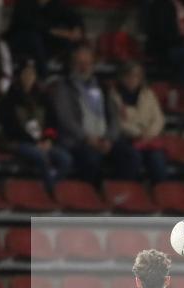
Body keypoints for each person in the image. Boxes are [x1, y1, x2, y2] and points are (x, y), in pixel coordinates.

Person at [52, 44, 140, 184]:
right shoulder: (64, 87)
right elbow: (66, 119)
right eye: (80, 63)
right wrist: (87, 139)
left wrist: (109, 139)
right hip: (78, 142)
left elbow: (114, 116)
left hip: (103, 139)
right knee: (91, 159)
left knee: (131, 156)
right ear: (73, 64)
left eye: (87, 64)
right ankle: (92, 198)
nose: (84, 67)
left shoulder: (103, 87)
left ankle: (119, 195)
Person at [0, 58, 72, 192]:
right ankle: (49, 192)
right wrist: (33, 142)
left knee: (65, 159)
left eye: (32, 74)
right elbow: (11, 128)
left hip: (42, 142)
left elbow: (52, 122)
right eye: (25, 73)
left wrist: (48, 140)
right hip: (18, 142)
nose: (28, 77)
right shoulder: (9, 99)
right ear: (19, 76)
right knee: (39, 156)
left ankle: (50, 187)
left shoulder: (43, 97)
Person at [110, 62, 168, 183]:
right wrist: (138, 134)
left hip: (149, 138)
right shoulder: (114, 95)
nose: (132, 79)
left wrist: (149, 134)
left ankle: (160, 194)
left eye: (136, 76)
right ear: (122, 77)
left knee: (157, 159)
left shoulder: (148, 94)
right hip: (126, 139)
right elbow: (118, 122)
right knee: (133, 157)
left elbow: (158, 118)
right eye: (129, 75)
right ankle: (130, 190)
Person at [5, 0, 85, 77]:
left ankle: (67, 74)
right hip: (20, 38)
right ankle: (43, 75)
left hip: (43, 39)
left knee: (68, 40)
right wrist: (55, 31)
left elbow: (71, 15)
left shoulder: (54, 4)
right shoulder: (24, 2)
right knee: (34, 38)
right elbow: (28, 22)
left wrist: (76, 27)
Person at [145, 0, 184, 84]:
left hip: (178, 44)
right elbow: (163, 34)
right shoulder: (163, 5)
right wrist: (183, 40)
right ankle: (179, 86)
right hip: (164, 49)